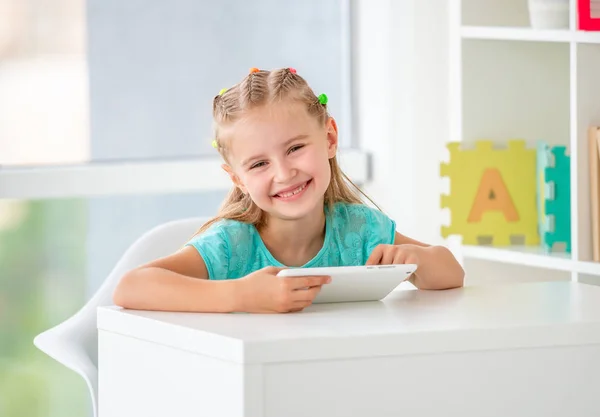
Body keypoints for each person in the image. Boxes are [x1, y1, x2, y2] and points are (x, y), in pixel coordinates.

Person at [113, 67, 464, 314]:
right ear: (237, 179)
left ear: (329, 139)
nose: (284, 173)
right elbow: (131, 287)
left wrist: (417, 261)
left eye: (295, 148)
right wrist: (240, 295)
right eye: (258, 164)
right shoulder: (230, 245)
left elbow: (452, 273)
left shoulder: (358, 230)